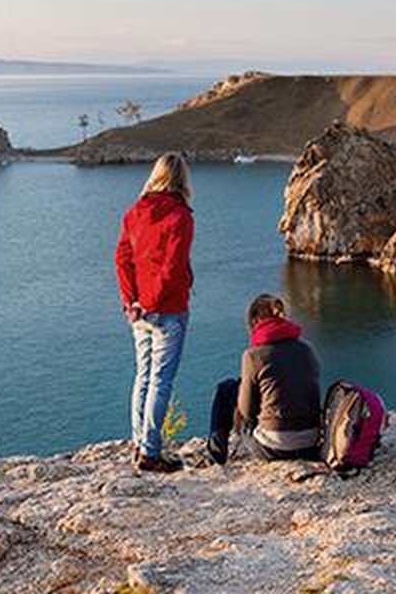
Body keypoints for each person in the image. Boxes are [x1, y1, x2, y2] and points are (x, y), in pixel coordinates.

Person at [115, 152, 195, 473]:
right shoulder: (181, 217)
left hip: (139, 313)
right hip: (168, 309)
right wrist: (151, 301)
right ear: (182, 179)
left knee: (143, 376)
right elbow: (173, 269)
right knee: (161, 381)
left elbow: (122, 259)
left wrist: (131, 301)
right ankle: (149, 452)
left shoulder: (135, 212)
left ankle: (139, 442)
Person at [208, 294, 321, 465]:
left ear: (254, 321)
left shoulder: (253, 356)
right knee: (246, 384)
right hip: (310, 443)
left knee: (226, 389)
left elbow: (247, 412)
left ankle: (216, 456)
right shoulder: (307, 349)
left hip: (274, 448)